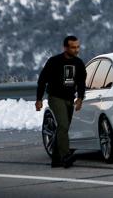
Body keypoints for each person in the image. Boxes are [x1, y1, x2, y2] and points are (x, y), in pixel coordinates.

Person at [35, 35, 86, 168]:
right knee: (63, 125)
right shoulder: (54, 61)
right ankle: (65, 156)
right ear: (65, 48)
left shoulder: (79, 63)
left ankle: (56, 159)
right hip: (56, 98)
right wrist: (39, 99)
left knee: (63, 128)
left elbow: (81, 82)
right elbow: (42, 80)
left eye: (78, 47)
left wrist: (80, 98)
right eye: (73, 47)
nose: (76, 50)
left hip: (70, 99)